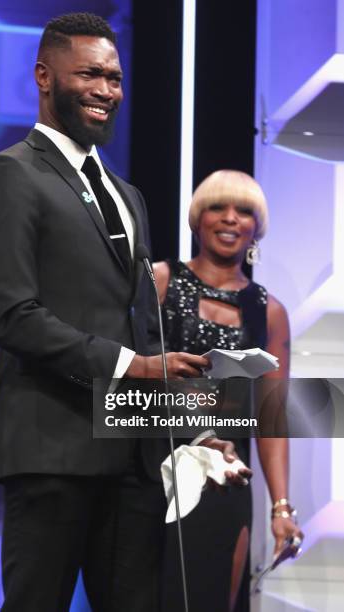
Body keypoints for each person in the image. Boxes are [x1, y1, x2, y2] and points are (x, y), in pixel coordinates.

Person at [0, 14, 250, 612]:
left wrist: (192, 429)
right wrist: (130, 367)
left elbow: (145, 333)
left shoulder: (129, 195)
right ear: (44, 76)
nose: (105, 90)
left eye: (115, 78)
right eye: (90, 74)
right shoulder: (9, 175)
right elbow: (14, 315)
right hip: (52, 449)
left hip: (133, 456)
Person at [154, 170, 304, 612]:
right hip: (150, 475)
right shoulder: (160, 281)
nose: (230, 219)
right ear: (197, 219)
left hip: (225, 482)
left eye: (244, 212)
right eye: (218, 207)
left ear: (257, 228)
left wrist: (281, 508)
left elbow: (271, 417)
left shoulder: (270, 312)